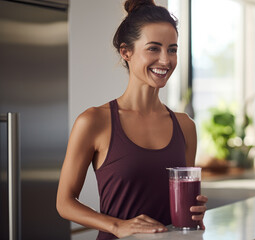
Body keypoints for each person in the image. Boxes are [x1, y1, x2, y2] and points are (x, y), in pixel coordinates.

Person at [56, 0, 208, 239]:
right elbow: (64, 203)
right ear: (126, 52)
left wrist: (194, 213)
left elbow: (180, 201)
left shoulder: (185, 126)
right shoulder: (94, 121)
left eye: (172, 49)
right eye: (153, 48)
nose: (166, 60)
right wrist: (117, 225)